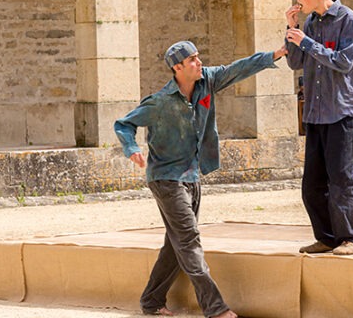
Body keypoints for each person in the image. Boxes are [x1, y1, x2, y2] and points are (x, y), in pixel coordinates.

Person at [115, 41, 287, 317]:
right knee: (189, 239)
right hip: (166, 179)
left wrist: (274, 55)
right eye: (192, 60)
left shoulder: (208, 82)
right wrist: (132, 149)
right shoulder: (158, 102)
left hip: (192, 176)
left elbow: (238, 69)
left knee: (176, 243)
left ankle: (151, 300)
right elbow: (124, 124)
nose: (199, 63)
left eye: (198, 57)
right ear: (177, 68)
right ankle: (215, 308)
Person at [284, 0, 353, 256]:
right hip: (315, 112)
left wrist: (307, 42)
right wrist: (292, 30)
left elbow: (345, 61)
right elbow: (295, 62)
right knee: (312, 184)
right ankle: (326, 238)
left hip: (342, 111)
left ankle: (351, 238)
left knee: (340, 180)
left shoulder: (348, 19)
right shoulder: (309, 22)